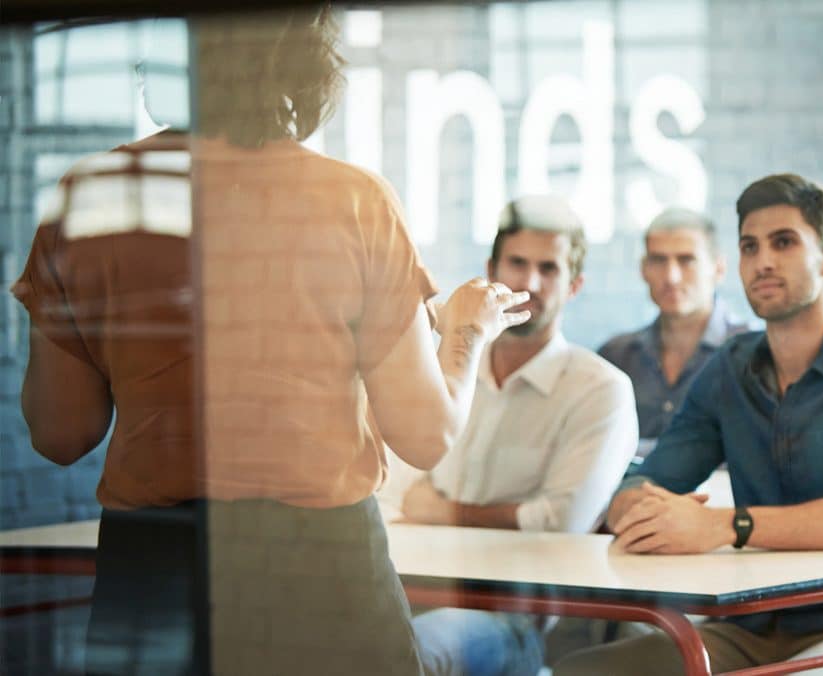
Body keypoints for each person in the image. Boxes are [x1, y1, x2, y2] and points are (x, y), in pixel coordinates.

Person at [12, 7, 527, 674]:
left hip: (153, 565)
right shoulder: (353, 201)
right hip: (321, 570)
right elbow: (425, 435)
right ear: (305, 66)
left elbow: (60, 433)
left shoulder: (90, 197)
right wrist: (466, 332)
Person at [553, 173, 823, 676]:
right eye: (749, 246)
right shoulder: (730, 367)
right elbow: (639, 484)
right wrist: (646, 511)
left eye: (784, 243)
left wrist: (721, 526)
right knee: (582, 672)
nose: (763, 260)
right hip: (751, 624)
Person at [391, 196, 639, 676]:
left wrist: (446, 512)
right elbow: (397, 489)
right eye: (518, 264)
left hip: (518, 622)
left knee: (412, 648)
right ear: (491, 269)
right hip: (413, 590)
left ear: (575, 286)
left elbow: (560, 521)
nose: (530, 283)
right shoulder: (447, 369)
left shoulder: (601, 390)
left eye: (549, 269)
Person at [598, 207, 756, 445]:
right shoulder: (615, 357)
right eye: (658, 260)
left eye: (686, 260)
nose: (671, 276)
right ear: (643, 269)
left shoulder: (756, 353)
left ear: (719, 268)